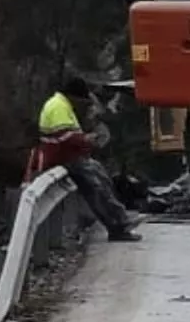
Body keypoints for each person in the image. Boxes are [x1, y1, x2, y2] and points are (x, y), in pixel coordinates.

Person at [38, 76, 143, 242]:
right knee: (98, 187)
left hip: (69, 156)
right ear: (74, 96)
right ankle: (120, 221)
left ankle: (117, 224)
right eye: (81, 100)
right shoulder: (58, 107)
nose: (82, 104)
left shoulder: (60, 104)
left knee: (100, 182)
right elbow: (65, 137)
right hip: (65, 157)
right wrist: (88, 139)